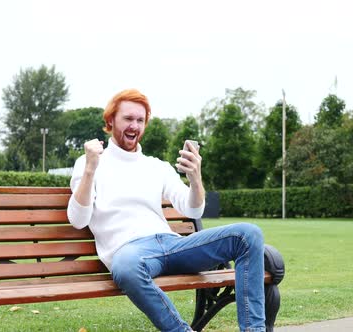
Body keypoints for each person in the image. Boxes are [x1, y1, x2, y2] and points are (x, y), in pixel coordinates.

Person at [67, 89, 266, 332]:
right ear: (110, 121)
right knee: (127, 268)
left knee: (248, 234)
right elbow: (78, 220)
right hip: (131, 252)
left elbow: (193, 207)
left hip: (172, 246)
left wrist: (195, 178)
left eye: (140, 120)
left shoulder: (156, 166)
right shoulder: (89, 163)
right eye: (128, 119)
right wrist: (90, 170)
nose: (135, 125)